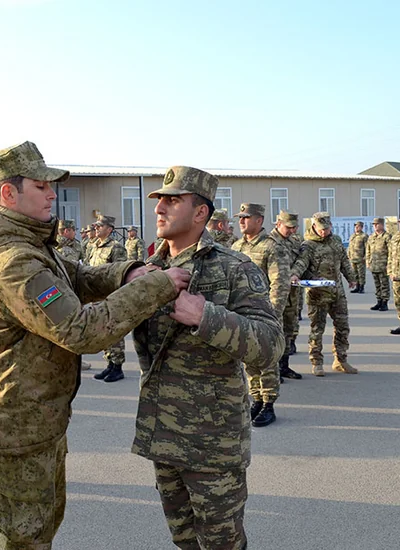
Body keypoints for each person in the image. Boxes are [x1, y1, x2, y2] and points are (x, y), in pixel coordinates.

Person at [0, 141, 189, 549]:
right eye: (41, 186)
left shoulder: (30, 246)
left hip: (36, 415)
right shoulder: (14, 262)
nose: (52, 194)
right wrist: (155, 286)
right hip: (20, 422)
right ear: (8, 193)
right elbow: (82, 330)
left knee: (41, 525)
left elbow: (77, 277)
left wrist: (128, 273)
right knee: (25, 537)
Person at [133, 166, 284, 549]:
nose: (159, 208)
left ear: (201, 213)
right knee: (183, 539)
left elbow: (270, 345)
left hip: (213, 443)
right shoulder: (149, 269)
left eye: (172, 200)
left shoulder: (234, 268)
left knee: (222, 543)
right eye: (159, 200)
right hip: (163, 434)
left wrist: (206, 317)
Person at [231, 203, 290, 427]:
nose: (242, 221)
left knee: (267, 359)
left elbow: (280, 282)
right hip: (242, 313)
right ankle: (256, 398)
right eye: (240, 217)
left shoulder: (271, 247)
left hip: (264, 314)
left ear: (259, 220)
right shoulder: (237, 246)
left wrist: (272, 314)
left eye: (246, 217)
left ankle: (269, 404)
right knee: (248, 358)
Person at [290, 212, 358, 375]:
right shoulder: (308, 245)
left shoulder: (336, 241)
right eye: (321, 229)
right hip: (317, 294)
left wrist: (351, 278)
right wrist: (294, 274)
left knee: (343, 327)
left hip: (337, 293)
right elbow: (301, 263)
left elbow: (344, 261)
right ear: (314, 226)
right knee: (317, 330)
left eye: (326, 229)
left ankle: (341, 360)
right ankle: (316, 362)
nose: (324, 232)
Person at [88, 214, 129, 382]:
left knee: (114, 330)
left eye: (100, 226)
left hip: (110, 296)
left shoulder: (116, 247)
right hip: (96, 295)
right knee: (103, 330)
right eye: (96, 226)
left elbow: (120, 272)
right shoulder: (94, 246)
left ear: (109, 229)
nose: (96, 228)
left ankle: (118, 367)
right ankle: (109, 363)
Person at [270, 211, 304, 379]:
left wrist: (296, 272)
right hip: (273, 296)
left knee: (288, 331)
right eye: (288, 227)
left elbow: (302, 260)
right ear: (278, 224)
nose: (292, 231)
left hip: (291, 296)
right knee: (273, 332)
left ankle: (284, 366)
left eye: (294, 227)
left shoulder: (294, 242)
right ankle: (271, 371)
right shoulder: (269, 243)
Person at [366, 217, 392, 311]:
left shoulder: (387, 236)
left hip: (383, 265)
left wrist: (389, 265)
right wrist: (368, 261)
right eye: (374, 224)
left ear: (382, 224)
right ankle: (379, 301)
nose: (375, 226)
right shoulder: (371, 236)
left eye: (377, 224)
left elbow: (391, 252)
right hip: (374, 265)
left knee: (384, 284)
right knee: (377, 285)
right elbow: (368, 250)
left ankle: (385, 303)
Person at [348, 221, 368, 294]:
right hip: (353, 258)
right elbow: (350, 247)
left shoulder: (364, 236)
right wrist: (349, 255)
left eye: (358, 226)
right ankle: (357, 287)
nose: (356, 227)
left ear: (361, 227)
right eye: (355, 226)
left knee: (361, 274)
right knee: (354, 274)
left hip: (360, 259)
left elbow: (367, 248)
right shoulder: (352, 236)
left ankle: (362, 287)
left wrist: (365, 257)